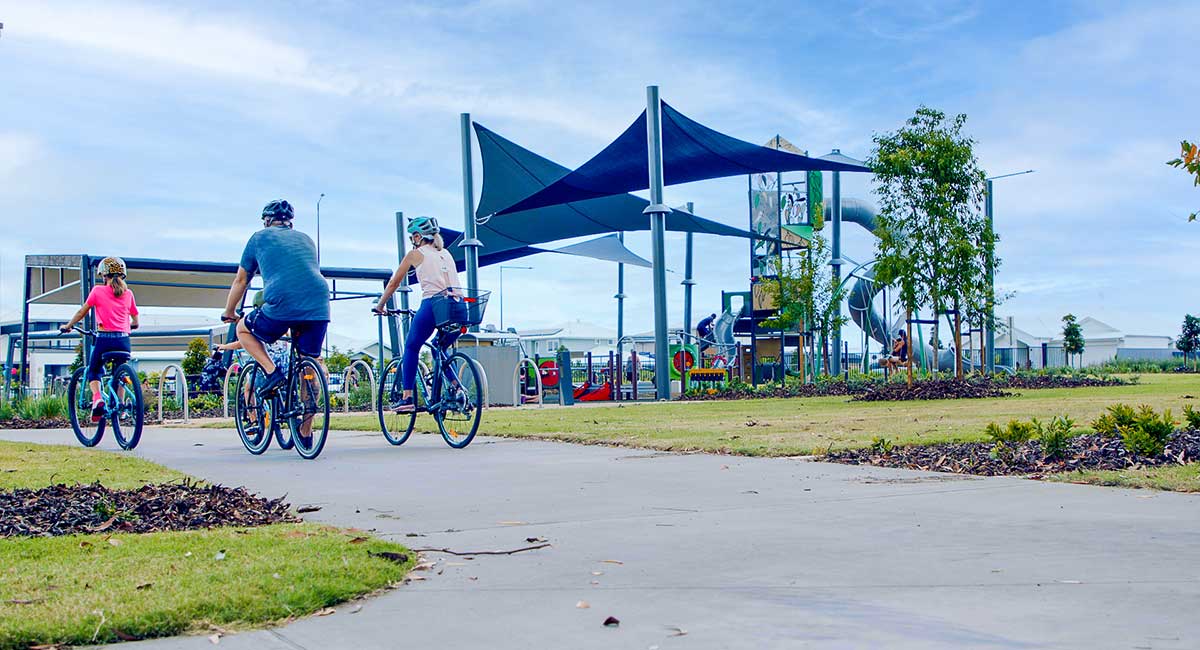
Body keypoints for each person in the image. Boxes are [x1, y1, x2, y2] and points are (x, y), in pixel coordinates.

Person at [221, 200, 328, 399]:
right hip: (319, 304)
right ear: (290, 223)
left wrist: (229, 311)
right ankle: (306, 431)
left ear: (267, 221)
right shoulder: (306, 239)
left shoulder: (259, 238)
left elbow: (242, 280)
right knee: (308, 366)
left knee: (242, 329)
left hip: (282, 303)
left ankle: (272, 373)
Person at [373, 216, 462, 413]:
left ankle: (407, 398)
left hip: (434, 304)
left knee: (412, 347)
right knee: (440, 348)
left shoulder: (415, 254)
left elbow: (394, 282)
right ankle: (457, 389)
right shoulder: (445, 253)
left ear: (417, 236)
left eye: (412, 237)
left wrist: (381, 305)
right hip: (458, 306)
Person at [59, 256, 139, 421]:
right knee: (120, 372)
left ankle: (98, 399)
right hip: (124, 341)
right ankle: (121, 406)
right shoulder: (128, 293)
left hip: (104, 339)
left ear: (104, 275)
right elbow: (136, 322)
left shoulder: (97, 291)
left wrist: (68, 326)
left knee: (93, 371)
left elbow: (82, 312)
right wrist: (127, 326)